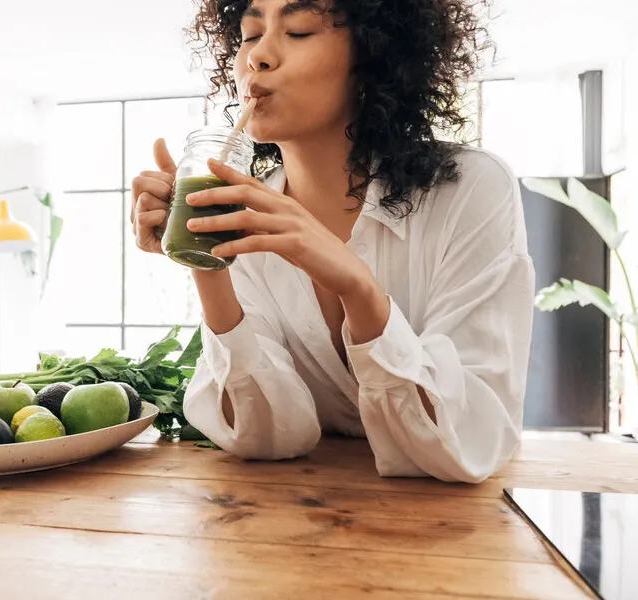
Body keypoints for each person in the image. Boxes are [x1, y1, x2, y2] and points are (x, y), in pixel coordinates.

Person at [129, 0, 534, 483]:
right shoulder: (243, 210)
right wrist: (202, 252)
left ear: (372, 58)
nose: (258, 57)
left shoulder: (470, 190)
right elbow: (266, 438)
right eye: (250, 35)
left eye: (298, 31)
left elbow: (468, 441)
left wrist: (357, 288)